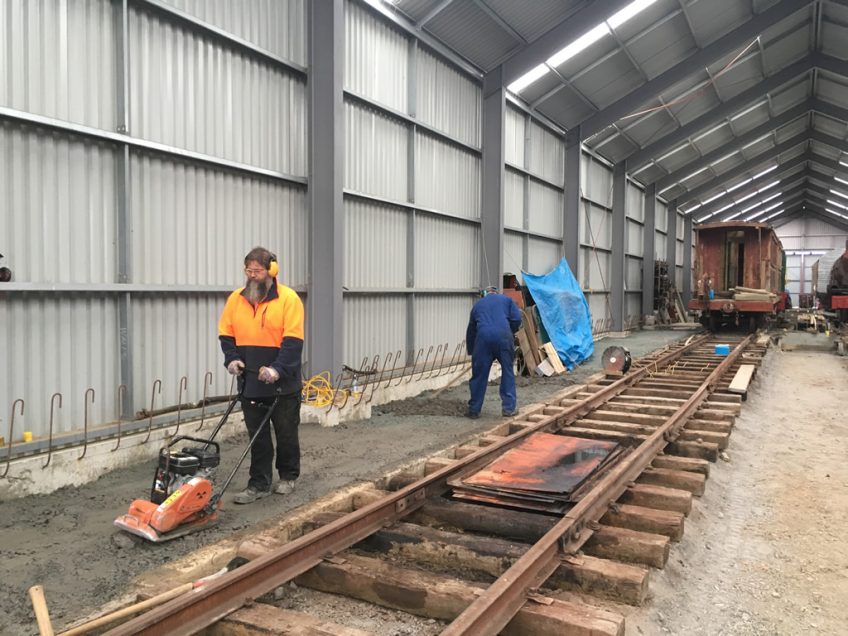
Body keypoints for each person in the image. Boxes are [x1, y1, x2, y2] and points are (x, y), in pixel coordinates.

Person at [219, 247, 304, 504]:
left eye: (257, 270)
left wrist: (277, 369)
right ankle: (259, 484)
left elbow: (293, 341)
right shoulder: (236, 298)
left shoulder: (289, 299)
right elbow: (226, 333)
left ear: (271, 271)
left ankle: (288, 476)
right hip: (251, 382)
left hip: (283, 385)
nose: (252, 275)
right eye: (249, 270)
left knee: (286, 432)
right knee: (257, 436)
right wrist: (232, 359)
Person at [465, 286, 523, 419]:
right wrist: (510, 331)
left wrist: (472, 351)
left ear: (485, 294)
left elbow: (471, 330)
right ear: (497, 293)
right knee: (507, 371)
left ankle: (474, 410)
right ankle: (508, 409)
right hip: (503, 337)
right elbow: (517, 319)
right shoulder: (507, 300)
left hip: (483, 339)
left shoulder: (477, 305)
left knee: (479, 375)